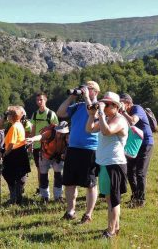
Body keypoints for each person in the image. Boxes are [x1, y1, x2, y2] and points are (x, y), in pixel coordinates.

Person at [57, 81, 100, 223]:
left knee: (90, 183)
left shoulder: (100, 106)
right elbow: (60, 112)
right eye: (84, 88)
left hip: (89, 149)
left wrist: (87, 97)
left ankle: (88, 214)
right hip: (73, 148)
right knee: (69, 182)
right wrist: (71, 97)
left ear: (96, 92)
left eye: (90, 88)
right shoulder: (77, 106)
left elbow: (92, 113)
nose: (86, 90)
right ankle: (70, 211)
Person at [86, 92, 128, 238]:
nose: (104, 106)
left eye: (108, 104)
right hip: (104, 164)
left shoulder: (120, 120)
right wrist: (92, 114)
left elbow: (107, 131)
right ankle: (115, 228)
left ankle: (110, 231)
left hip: (114, 164)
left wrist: (101, 114)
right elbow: (89, 129)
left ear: (116, 107)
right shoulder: (108, 118)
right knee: (110, 199)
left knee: (113, 200)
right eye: (103, 103)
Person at [119, 93, 154, 207]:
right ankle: (135, 196)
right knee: (130, 172)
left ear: (128, 103)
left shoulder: (137, 108)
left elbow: (133, 121)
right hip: (134, 145)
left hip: (145, 144)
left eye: (121, 102)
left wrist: (123, 112)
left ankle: (140, 200)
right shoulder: (125, 112)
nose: (119, 105)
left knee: (140, 173)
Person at [26, 121, 69, 203]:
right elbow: (40, 136)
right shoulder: (50, 132)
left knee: (59, 176)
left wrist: (65, 154)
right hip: (45, 156)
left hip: (58, 157)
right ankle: (45, 197)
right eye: (59, 132)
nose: (60, 134)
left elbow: (69, 145)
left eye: (62, 133)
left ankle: (58, 196)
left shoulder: (67, 136)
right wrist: (32, 139)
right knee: (43, 176)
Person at [31, 92, 59, 195]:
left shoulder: (51, 114)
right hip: (38, 146)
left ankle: (57, 192)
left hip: (50, 146)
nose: (39, 102)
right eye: (37, 100)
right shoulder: (35, 114)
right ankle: (41, 189)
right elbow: (33, 129)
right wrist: (31, 143)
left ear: (45, 100)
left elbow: (57, 128)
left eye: (41, 100)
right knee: (40, 169)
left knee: (56, 170)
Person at [2, 106, 31, 204]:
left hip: (14, 154)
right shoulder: (18, 124)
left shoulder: (14, 126)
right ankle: (16, 198)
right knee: (17, 176)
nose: (7, 116)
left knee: (10, 175)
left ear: (13, 116)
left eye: (9, 114)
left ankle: (15, 198)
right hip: (19, 153)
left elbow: (11, 143)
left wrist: (6, 153)